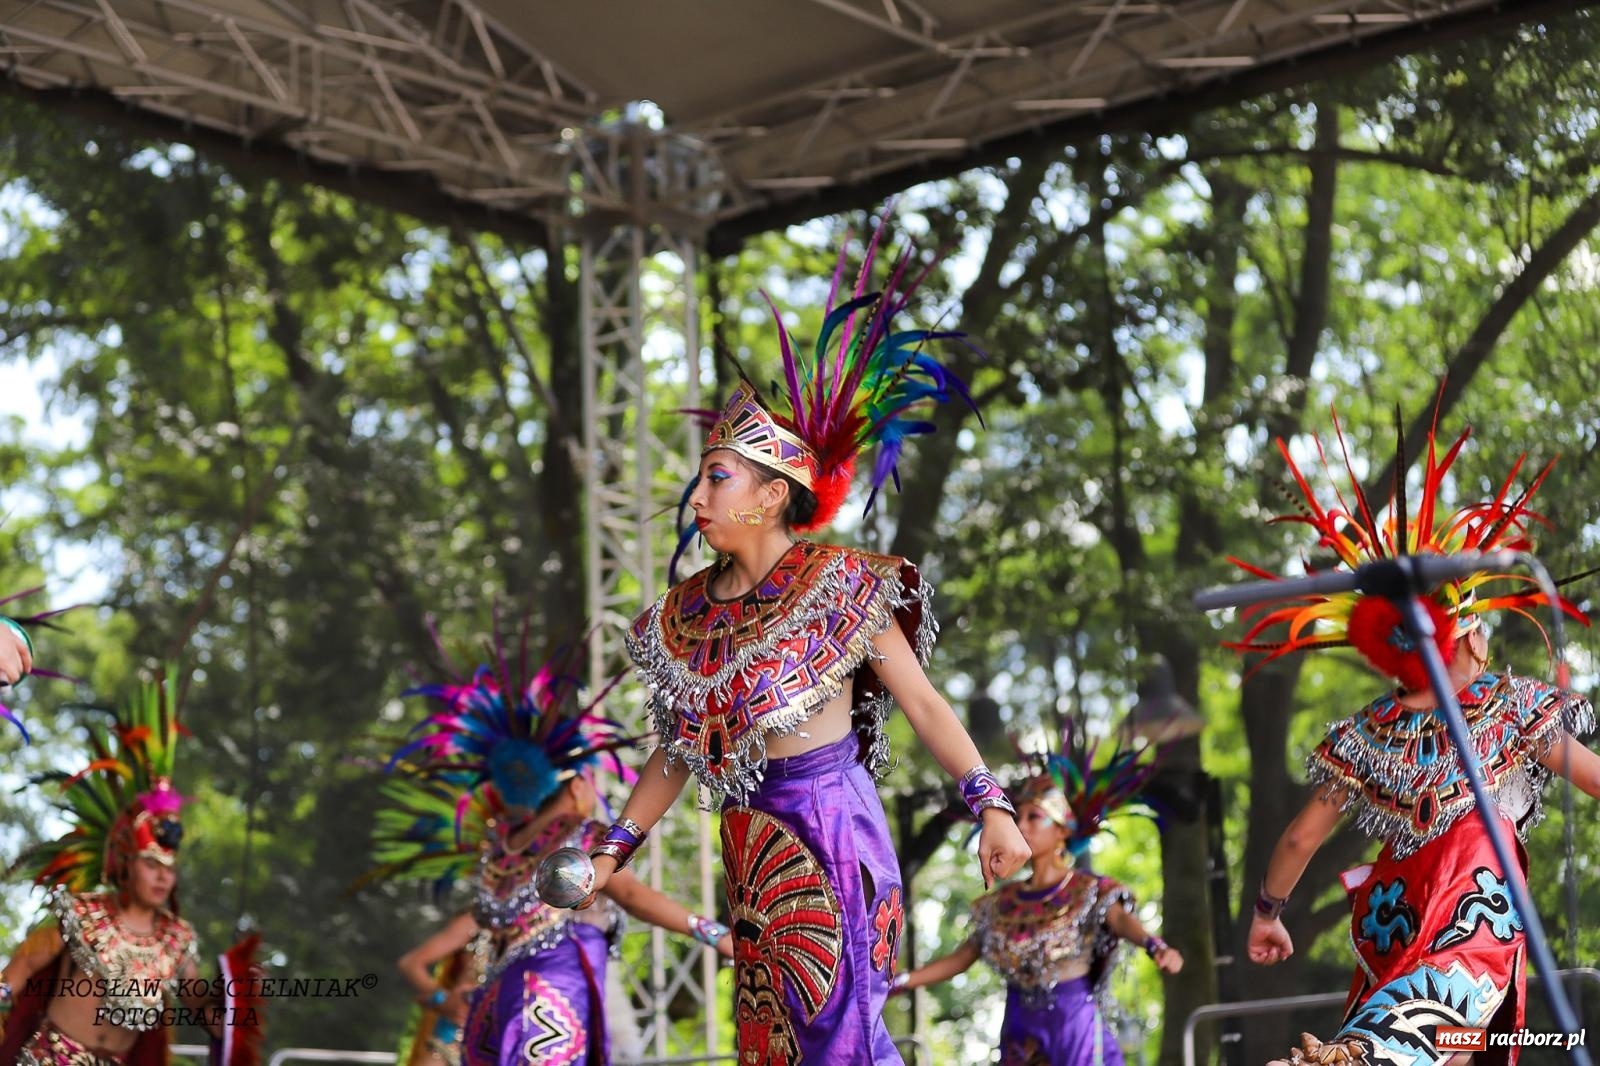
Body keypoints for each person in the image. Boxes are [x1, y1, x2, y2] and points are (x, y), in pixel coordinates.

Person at [573, 215, 1031, 1065]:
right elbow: (679, 750)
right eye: (701, 475)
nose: (697, 496)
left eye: (718, 476)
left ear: (775, 496)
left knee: (841, 1046)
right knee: (773, 1052)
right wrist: (611, 852)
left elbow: (923, 703)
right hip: (749, 847)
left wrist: (991, 807)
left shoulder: (845, 586)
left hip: (831, 832)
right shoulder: (687, 615)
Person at [1228, 411, 1600, 1065]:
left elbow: (1298, 839)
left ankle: (1359, 1053)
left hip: (1392, 909)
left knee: (1454, 1044)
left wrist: (1267, 911)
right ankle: (1356, 1058)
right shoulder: (1514, 707)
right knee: (1435, 1033)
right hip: (1474, 902)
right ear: (1465, 633)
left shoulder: (1364, 734)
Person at [378, 631, 733, 1066]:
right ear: (571, 782)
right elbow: (635, 897)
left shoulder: (501, 851)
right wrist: (714, 933)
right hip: (549, 996)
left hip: (502, 1002)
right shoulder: (582, 837)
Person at [0, 670, 261, 1066]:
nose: (162, 877)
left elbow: (204, 1011)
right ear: (126, 864)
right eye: (151, 865)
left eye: (169, 869)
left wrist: (236, 996)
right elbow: (21, 969)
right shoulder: (81, 913)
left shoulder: (177, 939)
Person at [895, 723, 1181, 1065]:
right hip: (1019, 1030)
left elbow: (1120, 919)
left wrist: (1154, 945)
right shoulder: (1000, 903)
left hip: (1073, 1026)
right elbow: (963, 957)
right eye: (1020, 818)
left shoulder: (1089, 889)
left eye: (1035, 817)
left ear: (1063, 830)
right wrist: (899, 982)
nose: (1023, 826)